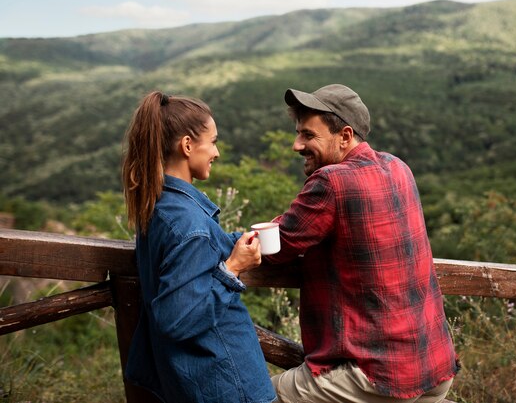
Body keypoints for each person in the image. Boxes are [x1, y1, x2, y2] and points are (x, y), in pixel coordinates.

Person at [264, 84, 460, 402]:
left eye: (308, 135)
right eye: (298, 133)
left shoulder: (332, 182)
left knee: (253, 396)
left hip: (377, 376)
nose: (296, 145)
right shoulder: (399, 167)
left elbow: (276, 246)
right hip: (434, 367)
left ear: (345, 136)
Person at [121, 90, 276, 403]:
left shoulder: (160, 205)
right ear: (188, 145)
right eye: (213, 141)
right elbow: (178, 320)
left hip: (193, 380)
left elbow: (192, 259)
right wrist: (232, 268)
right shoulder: (189, 224)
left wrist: (235, 243)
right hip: (226, 382)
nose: (216, 152)